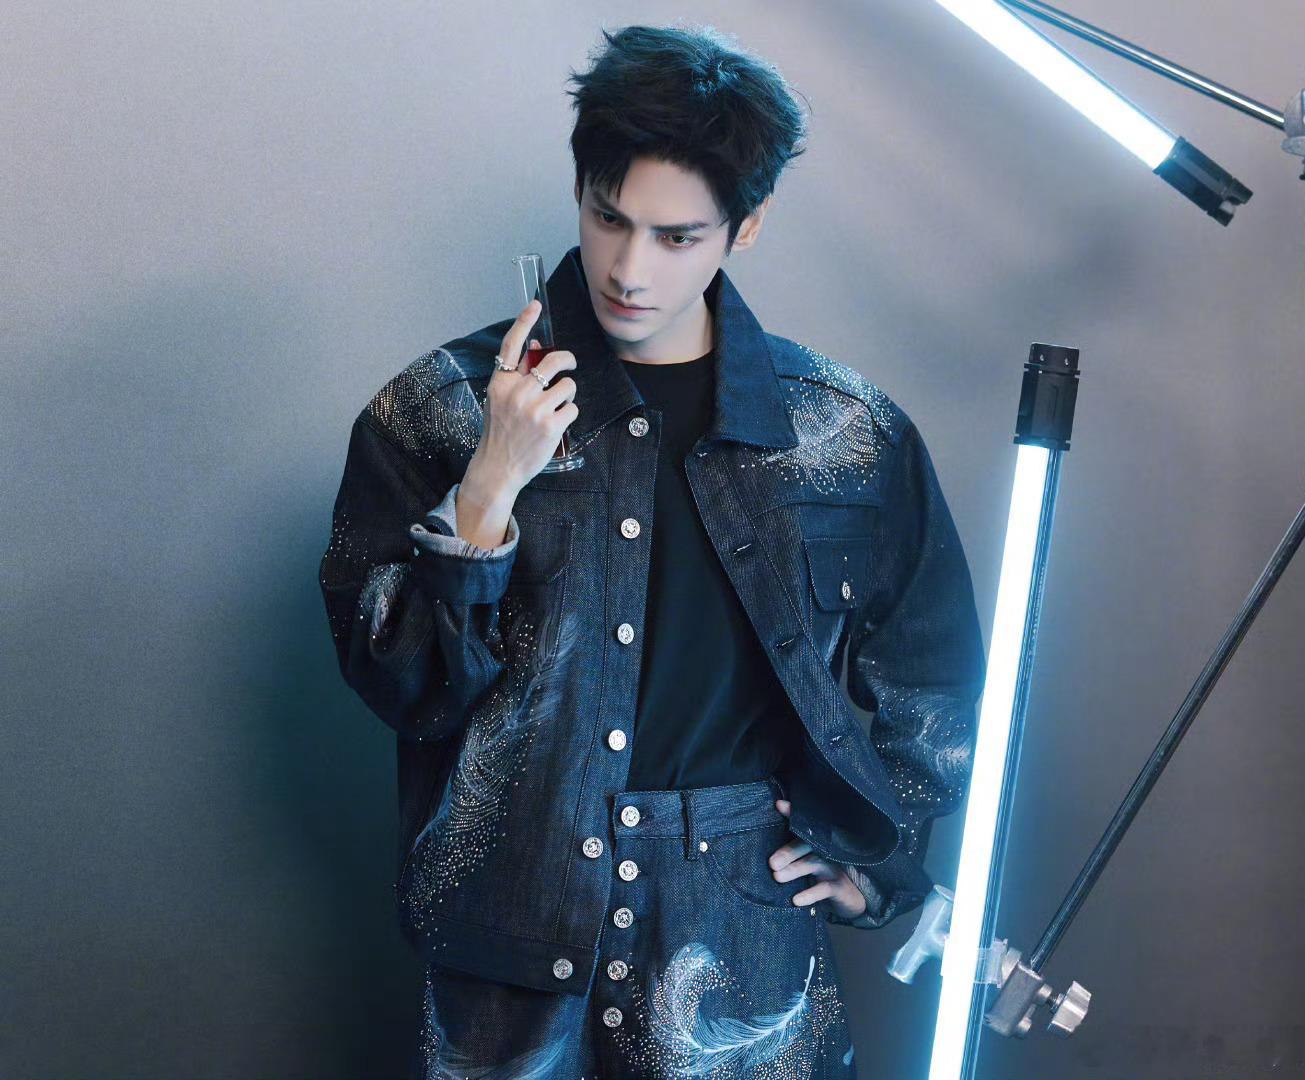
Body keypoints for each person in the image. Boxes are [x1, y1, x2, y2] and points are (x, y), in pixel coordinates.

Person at [318, 21, 985, 1078]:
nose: (629, 269)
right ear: (579, 192)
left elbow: (940, 685)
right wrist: (488, 487)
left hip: (745, 949)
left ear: (746, 227)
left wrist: (882, 865)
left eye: (678, 237)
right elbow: (401, 688)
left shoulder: (844, 435)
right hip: (512, 949)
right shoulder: (439, 408)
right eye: (608, 219)